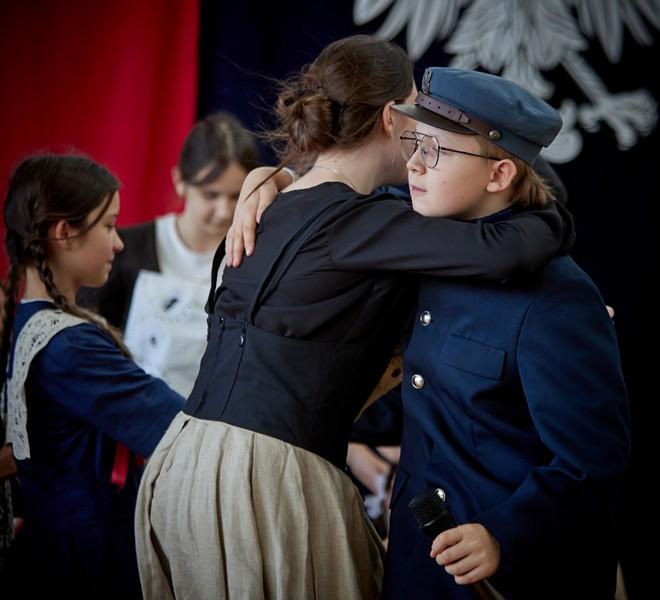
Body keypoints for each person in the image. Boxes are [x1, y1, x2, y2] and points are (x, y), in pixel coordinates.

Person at [135, 35, 573, 600]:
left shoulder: (281, 203)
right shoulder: (363, 223)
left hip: (181, 462)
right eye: (416, 110)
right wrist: (558, 218)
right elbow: (508, 246)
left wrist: (277, 175)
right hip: (262, 478)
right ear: (391, 118)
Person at [377, 68, 630, 599]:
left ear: (499, 175)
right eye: (415, 142)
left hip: (508, 575)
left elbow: (593, 461)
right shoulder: (433, 253)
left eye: (437, 150)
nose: (414, 163)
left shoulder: (557, 298)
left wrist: (504, 534)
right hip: (418, 564)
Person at [1, 154, 184, 598]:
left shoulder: (24, 322)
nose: (118, 244)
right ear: (64, 233)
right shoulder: (70, 346)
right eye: (109, 226)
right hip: (86, 564)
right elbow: (178, 427)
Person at [79, 112, 259, 396]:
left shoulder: (255, 255)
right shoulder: (124, 250)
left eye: (236, 196)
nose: (224, 211)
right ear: (180, 181)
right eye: (210, 195)